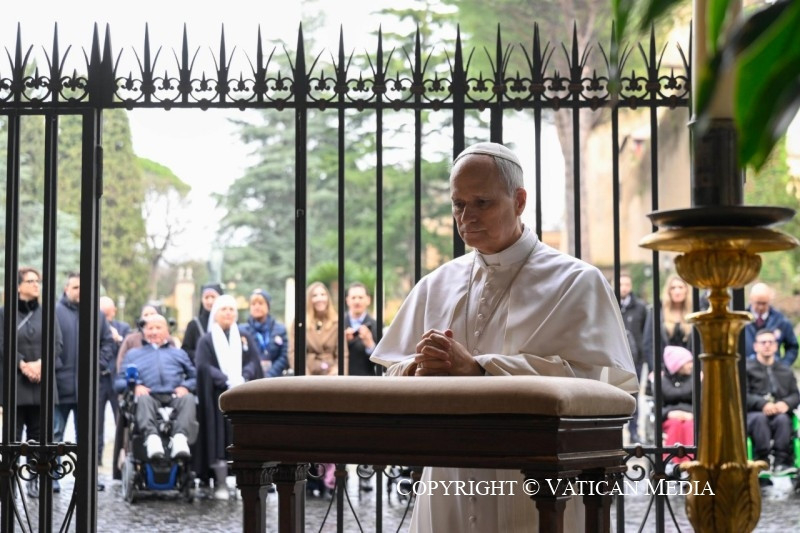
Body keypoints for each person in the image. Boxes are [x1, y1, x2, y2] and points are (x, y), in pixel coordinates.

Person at [370, 142, 636, 532]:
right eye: (458, 204)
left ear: (519, 200)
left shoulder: (577, 281)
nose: (467, 217)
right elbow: (391, 374)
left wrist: (478, 369)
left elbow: (595, 387)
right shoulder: (435, 284)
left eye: (482, 202)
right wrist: (417, 368)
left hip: (540, 478)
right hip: (449, 477)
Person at [0, 267, 63, 498]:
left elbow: (57, 344)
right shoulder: (4, 313)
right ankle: (10, 482)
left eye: (38, 281)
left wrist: (41, 364)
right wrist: (22, 365)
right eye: (30, 281)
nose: (36, 285)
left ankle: (34, 481)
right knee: (13, 437)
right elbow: (2, 343)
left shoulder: (47, 313)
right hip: (16, 384)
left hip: (41, 383)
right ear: (18, 286)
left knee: (39, 437)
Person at [195, 294, 263, 500]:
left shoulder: (244, 337)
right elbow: (203, 366)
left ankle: (244, 480)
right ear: (215, 313)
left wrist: (244, 377)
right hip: (217, 397)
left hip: (242, 396)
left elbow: (254, 361)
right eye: (223, 309)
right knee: (218, 438)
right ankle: (221, 481)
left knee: (242, 437)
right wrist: (224, 380)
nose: (228, 313)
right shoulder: (206, 340)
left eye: (231, 309)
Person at [54, 271, 114, 492]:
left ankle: (87, 477)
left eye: (83, 287)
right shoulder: (55, 312)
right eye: (75, 287)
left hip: (87, 388)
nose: (80, 292)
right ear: (66, 289)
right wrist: (56, 367)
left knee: (87, 437)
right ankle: (53, 477)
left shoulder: (97, 315)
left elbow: (107, 343)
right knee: (55, 435)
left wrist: (96, 365)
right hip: (59, 387)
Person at [115, 314, 195, 461]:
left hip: (174, 396)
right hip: (149, 397)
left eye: (158, 328)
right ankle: (152, 439)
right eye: (150, 328)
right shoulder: (133, 354)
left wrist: (186, 386)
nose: (154, 332)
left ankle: (180, 438)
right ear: (144, 331)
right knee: (143, 399)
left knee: (189, 399)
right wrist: (135, 386)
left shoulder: (178, 353)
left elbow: (194, 377)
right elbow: (118, 382)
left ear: (167, 331)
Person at [746, 329, 800, 479]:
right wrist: (762, 404)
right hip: (754, 414)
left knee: (783, 420)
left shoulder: (785, 371)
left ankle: (782, 461)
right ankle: (762, 460)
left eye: (771, 342)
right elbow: (742, 394)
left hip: (780, 413)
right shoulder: (746, 369)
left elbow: (795, 395)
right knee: (760, 420)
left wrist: (786, 403)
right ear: (756, 346)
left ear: (776, 346)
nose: (767, 345)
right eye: (763, 342)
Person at [97, 296, 130, 465]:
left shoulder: (123, 328)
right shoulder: (94, 326)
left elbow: (130, 351)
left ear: (114, 311)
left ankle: (121, 459)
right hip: (99, 380)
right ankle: (96, 460)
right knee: (96, 423)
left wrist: (119, 339)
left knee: (121, 420)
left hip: (116, 381)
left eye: (108, 312)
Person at [619, 273, 649, 443]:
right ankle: (616, 432)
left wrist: (642, 355)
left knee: (634, 395)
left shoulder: (640, 307)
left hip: (635, 358)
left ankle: (634, 431)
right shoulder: (611, 304)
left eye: (627, 284)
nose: (624, 288)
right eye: (621, 284)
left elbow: (645, 332)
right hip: (615, 358)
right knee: (615, 394)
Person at [643, 274, 694, 370]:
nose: (677, 291)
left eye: (680, 287)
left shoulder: (694, 312)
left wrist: (700, 369)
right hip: (663, 369)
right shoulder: (657, 312)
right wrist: (655, 369)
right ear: (668, 291)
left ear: (687, 290)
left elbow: (700, 344)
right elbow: (648, 343)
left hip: (690, 369)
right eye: (673, 288)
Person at [300, 281, 348, 376]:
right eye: (315, 295)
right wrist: (304, 373)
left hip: (331, 375)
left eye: (323, 294)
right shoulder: (300, 322)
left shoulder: (336, 322)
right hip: (308, 374)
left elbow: (343, 353)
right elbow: (293, 352)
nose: (319, 298)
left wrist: (338, 370)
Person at [744, 282, 798, 367]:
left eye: (764, 303)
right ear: (751, 300)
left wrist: (783, 366)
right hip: (746, 370)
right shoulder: (742, 319)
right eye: (758, 303)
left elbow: (792, 346)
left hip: (772, 371)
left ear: (770, 301)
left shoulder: (780, 320)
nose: (761, 307)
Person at [238, 289, 289, 377]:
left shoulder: (280, 329)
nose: (257, 307)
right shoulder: (242, 331)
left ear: (268, 306)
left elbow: (284, 355)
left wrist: (270, 375)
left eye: (260, 303)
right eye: (253, 304)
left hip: (276, 379)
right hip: (251, 378)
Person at [661, 346, 695, 468]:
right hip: (669, 418)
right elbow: (657, 408)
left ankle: (689, 462)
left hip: (691, 416)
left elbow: (701, 404)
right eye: (688, 362)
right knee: (675, 425)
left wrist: (690, 414)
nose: (691, 365)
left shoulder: (696, 379)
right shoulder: (662, 381)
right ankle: (671, 462)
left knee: (689, 426)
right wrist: (669, 413)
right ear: (678, 364)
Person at [181, 283, 223, 364]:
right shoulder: (194, 324)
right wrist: (201, 356)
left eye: (213, 297)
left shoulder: (228, 322)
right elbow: (185, 350)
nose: (210, 301)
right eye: (206, 297)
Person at [345, 282, 379, 377]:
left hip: (366, 380)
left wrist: (370, 345)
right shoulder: (338, 323)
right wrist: (343, 342)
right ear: (347, 300)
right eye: (353, 298)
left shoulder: (377, 325)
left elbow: (383, 363)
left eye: (360, 297)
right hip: (340, 379)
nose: (357, 301)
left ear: (368, 300)